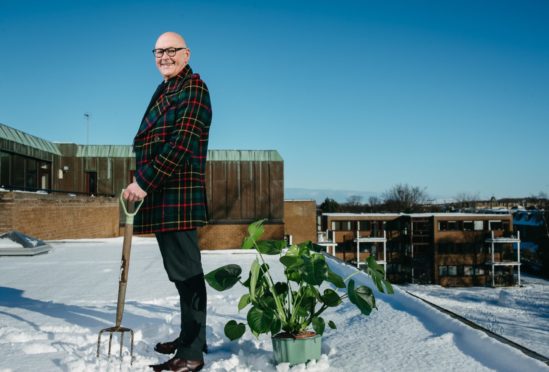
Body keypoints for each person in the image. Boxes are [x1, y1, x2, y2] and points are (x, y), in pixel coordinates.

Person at [123, 31, 212, 372]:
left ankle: (192, 354)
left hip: (177, 194)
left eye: (171, 50)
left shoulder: (194, 89)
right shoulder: (166, 88)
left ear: (186, 54)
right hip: (165, 194)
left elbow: (181, 144)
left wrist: (143, 182)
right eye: (159, 51)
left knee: (188, 274)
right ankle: (193, 336)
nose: (164, 56)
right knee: (180, 274)